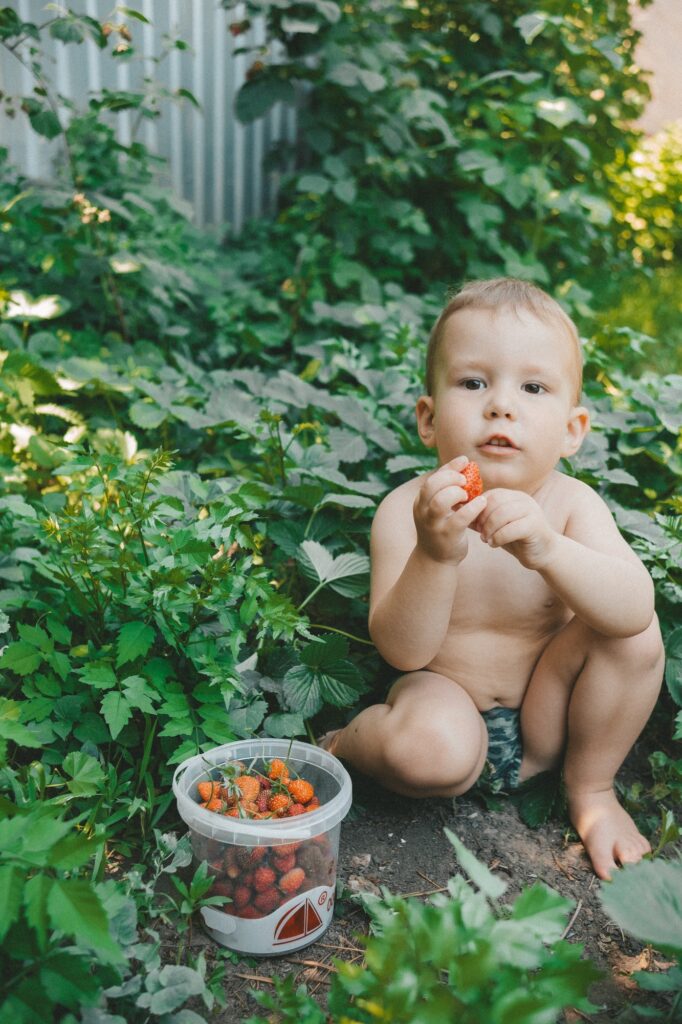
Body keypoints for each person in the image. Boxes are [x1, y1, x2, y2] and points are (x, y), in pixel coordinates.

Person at [322, 277, 664, 880]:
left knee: (633, 638)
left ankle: (591, 791)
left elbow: (635, 608)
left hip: (546, 721)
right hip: (445, 703)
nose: (501, 404)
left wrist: (549, 549)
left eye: (533, 387)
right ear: (428, 419)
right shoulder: (410, 509)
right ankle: (346, 743)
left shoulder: (572, 505)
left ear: (571, 430)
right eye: (474, 382)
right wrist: (434, 554)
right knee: (427, 749)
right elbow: (404, 651)